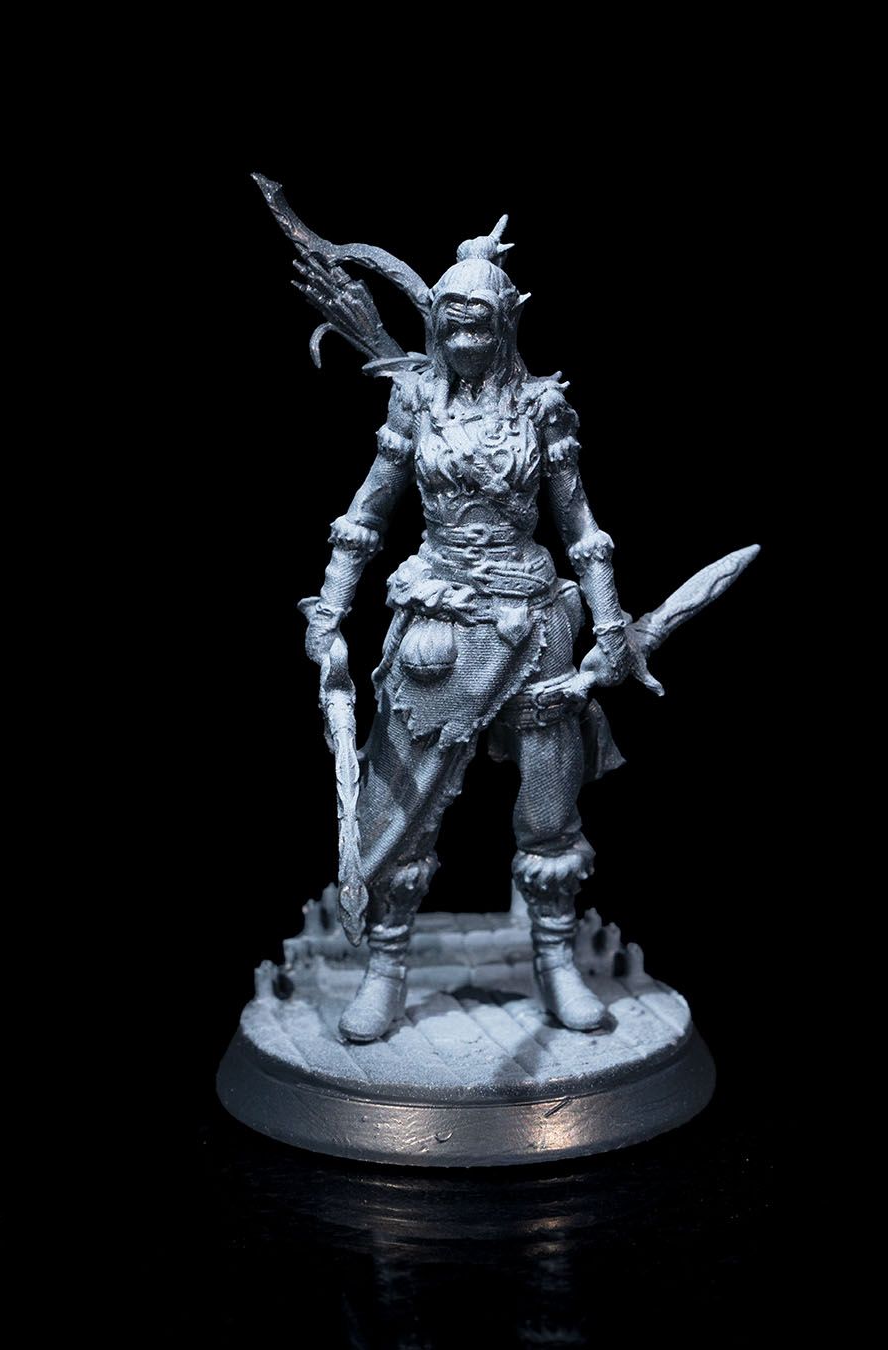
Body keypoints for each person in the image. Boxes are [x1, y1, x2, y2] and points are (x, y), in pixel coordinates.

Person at [300, 222, 633, 1043]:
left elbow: (580, 524)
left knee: (550, 803)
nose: (463, 341)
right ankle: (386, 966)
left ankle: (555, 959)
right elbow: (369, 507)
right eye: (450, 326)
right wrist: (330, 607)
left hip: (533, 622)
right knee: (401, 804)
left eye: (479, 326)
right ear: (436, 324)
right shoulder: (415, 397)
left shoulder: (542, 404)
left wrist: (610, 623)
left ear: (506, 322)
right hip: (438, 623)